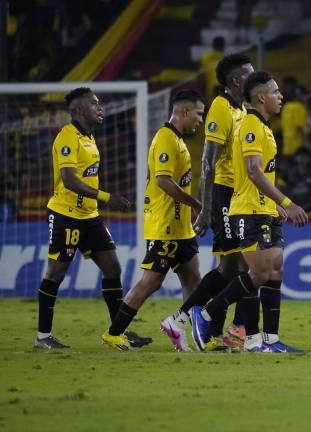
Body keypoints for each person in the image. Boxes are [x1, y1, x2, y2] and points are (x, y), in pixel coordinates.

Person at [189, 71, 309, 353]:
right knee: (259, 273)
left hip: (265, 208)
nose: (281, 96)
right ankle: (204, 314)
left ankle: (269, 340)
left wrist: (277, 204)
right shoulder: (252, 126)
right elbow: (254, 171)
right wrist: (288, 201)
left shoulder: (264, 126)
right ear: (260, 97)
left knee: (275, 270)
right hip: (249, 210)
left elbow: (262, 172)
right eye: (276, 92)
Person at [34, 87, 139, 349]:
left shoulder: (89, 138)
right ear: (79, 110)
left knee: (113, 267)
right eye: (94, 104)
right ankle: (43, 336)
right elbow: (69, 181)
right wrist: (106, 197)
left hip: (89, 216)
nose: (100, 108)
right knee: (56, 272)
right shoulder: (67, 137)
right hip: (65, 215)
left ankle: (117, 333)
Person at [102, 91, 205, 350]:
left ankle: (180, 330)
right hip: (165, 225)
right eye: (199, 114)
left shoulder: (178, 140)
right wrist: (195, 204)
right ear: (184, 112)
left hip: (180, 227)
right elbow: (163, 180)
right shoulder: (166, 139)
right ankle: (114, 333)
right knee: (151, 281)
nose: (200, 120)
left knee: (193, 280)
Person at [164, 54, 253, 352]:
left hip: (238, 193)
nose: (254, 78)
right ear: (237, 80)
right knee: (242, 266)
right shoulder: (220, 107)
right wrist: (204, 209)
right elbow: (207, 161)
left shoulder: (241, 108)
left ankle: (191, 324)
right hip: (224, 194)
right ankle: (231, 331)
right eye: (249, 74)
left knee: (231, 268)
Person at [199, 36, 226, 103]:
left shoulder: (204, 58)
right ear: (223, 46)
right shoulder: (227, 60)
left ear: (213, 46)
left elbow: (200, 78)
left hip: (208, 97)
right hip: (223, 96)